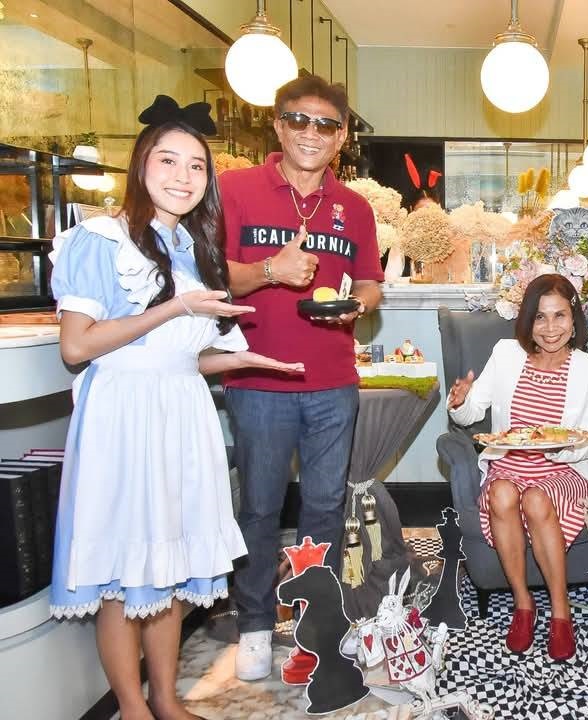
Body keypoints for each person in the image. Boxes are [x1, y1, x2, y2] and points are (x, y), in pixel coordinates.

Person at [48, 96, 302, 720]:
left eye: (196, 166)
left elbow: (182, 357)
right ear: (140, 166)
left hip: (182, 414)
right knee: (123, 574)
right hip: (124, 420)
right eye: (168, 161)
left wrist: (249, 360)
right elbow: (77, 346)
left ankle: (165, 699)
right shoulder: (99, 239)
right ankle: (133, 708)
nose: (183, 177)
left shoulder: (192, 247)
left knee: (169, 568)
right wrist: (175, 307)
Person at [219, 74, 384, 681]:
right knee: (260, 507)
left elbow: (369, 282)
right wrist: (271, 269)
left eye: (326, 124)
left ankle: (316, 624)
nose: (311, 132)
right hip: (257, 379)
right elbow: (212, 278)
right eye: (298, 119)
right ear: (277, 125)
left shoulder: (355, 208)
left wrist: (357, 306)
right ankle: (255, 624)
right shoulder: (235, 189)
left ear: (340, 137)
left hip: (332, 382)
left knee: (324, 508)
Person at [446, 274, 588, 661]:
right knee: (502, 494)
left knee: (536, 499)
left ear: (574, 319)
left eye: (559, 316)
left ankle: (561, 612)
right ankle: (523, 604)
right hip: (510, 464)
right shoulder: (506, 354)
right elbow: (473, 414)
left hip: (564, 468)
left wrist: (554, 446)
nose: (550, 328)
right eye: (540, 317)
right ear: (528, 321)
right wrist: (460, 401)